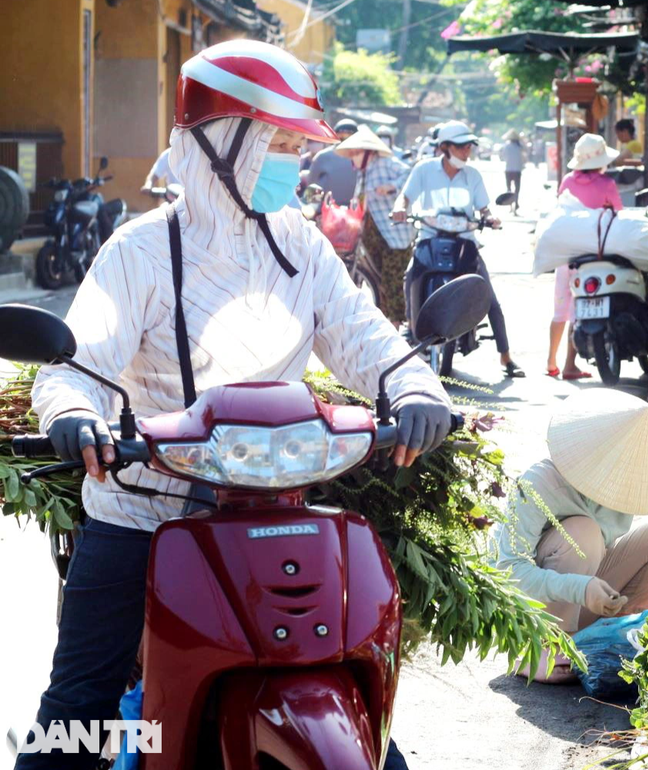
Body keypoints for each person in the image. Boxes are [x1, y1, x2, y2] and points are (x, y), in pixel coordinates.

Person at [17, 40, 447, 770]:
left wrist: (414, 388)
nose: (292, 160)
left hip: (272, 505)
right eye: (275, 142)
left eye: (294, 144)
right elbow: (82, 357)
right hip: (145, 506)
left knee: (371, 715)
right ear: (222, 143)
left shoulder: (300, 244)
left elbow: (362, 334)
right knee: (76, 710)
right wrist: (70, 411)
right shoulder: (141, 251)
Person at [493, 388, 648, 683]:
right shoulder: (539, 484)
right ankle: (543, 646)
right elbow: (508, 570)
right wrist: (581, 589)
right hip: (532, 613)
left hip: (589, 592)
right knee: (584, 534)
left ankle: (610, 631)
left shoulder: (641, 482)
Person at [392, 120, 525, 378]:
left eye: (469, 147)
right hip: (429, 237)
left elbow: (483, 207)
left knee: (490, 298)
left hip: (465, 241)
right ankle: (410, 325)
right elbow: (405, 196)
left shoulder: (472, 175)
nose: (467, 152)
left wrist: (490, 217)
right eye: (462, 147)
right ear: (445, 147)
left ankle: (506, 356)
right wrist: (399, 208)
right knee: (411, 276)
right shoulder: (423, 170)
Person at [547, 133, 623, 379]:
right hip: (593, 258)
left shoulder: (568, 181)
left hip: (566, 257)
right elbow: (618, 216)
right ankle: (569, 364)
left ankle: (550, 362)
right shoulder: (607, 185)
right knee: (579, 311)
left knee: (560, 310)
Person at [363, 129, 417, 325]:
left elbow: (410, 174)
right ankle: (386, 317)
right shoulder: (363, 171)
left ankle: (397, 321)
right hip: (375, 232)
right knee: (379, 278)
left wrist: (392, 186)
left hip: (396, 231)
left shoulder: (386, 163)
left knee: (392, 278)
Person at [306, 117, 359, 205]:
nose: (344, 138)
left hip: (354, 210)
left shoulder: (362, 156)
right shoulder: (323, 156)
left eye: (349, 135)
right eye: (341, 135)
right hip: (326, 208)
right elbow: (311, 182)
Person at [500, 129, 525, 215]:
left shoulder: (506, 146)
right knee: (517, 189)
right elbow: (523, 157)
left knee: (509, 189)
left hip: (508, 169)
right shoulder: (519, 146)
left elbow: (503, 157)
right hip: (517, 170)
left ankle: (511, 205)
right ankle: (516, 203)